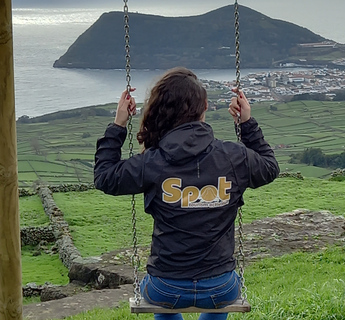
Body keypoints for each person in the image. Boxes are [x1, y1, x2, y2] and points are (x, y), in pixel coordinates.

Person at [94, 67, 279, 320]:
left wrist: (119, 124)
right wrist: (246, 124)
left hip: (166, 287)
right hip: (220, 286)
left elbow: (105, 177)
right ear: (204, 106)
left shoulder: (152, 162)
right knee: (217, 297)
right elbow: (270, 167)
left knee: (165, 298)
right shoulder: (233, 157)